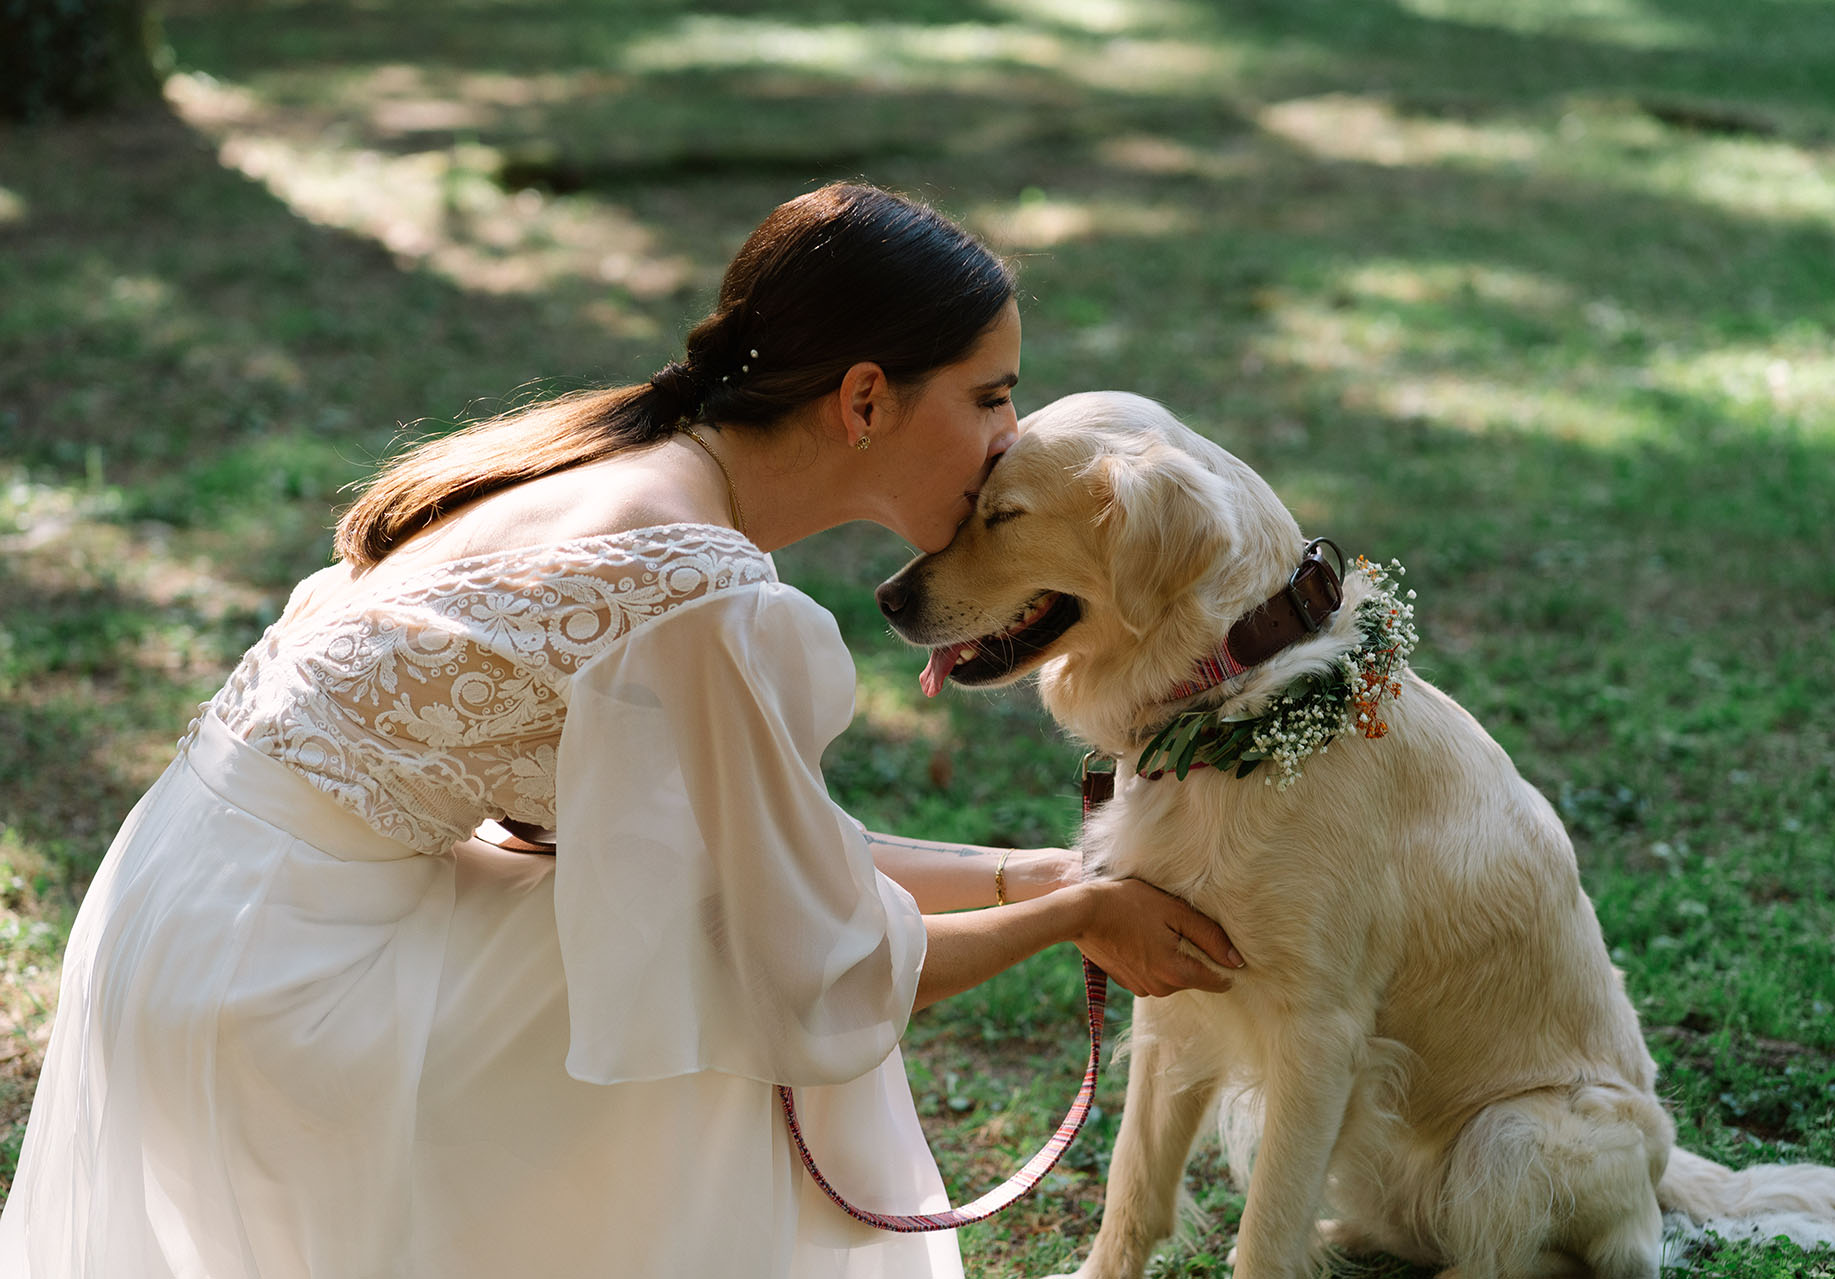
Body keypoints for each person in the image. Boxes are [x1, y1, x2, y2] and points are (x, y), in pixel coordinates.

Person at [0, 182, 1240, 1278]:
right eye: (992, 397)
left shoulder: (621, 469)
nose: (1007, 442)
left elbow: (778, 850)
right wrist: (1077, 916)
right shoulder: (696, 586)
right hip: (277, 985)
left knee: (684, 917)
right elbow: (812, 957)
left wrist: (1041, 870)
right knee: (717, 987)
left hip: (184, 915)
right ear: (866, 398)